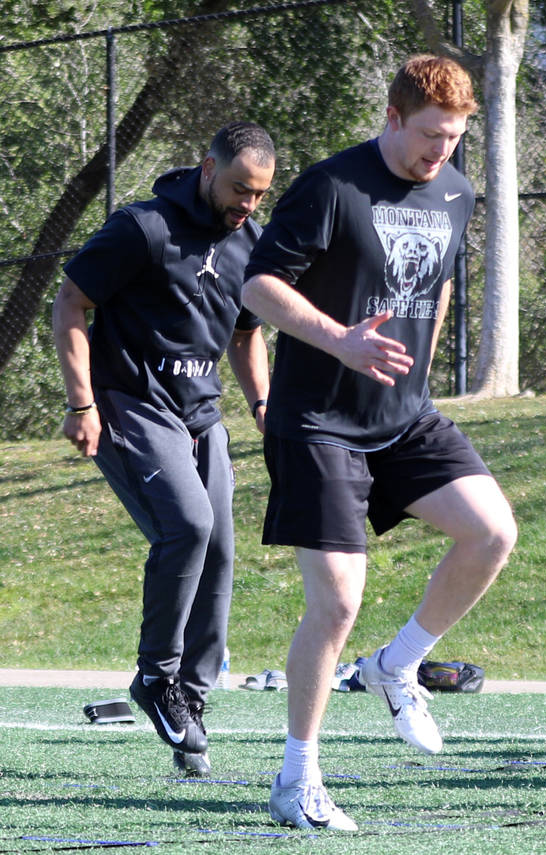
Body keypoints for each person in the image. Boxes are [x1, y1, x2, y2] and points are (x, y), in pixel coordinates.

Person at [241, 55, 517, 832]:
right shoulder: (333, 185)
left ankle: (397, 665)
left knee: (492, 530)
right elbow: (258, 286)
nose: (441, 153)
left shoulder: (458, 190)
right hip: (319, 418)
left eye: (455, 138)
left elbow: (440, 283)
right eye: (430, 135)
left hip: (403, 416)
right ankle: (298, 777)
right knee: (337, 601)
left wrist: (415, 376)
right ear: (394, 118)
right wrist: (340, 341)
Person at [52, 122, 276, 776]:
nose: (248, 204)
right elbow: (71, 301)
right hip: (131, 402)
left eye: (260, 194)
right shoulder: (143, 228)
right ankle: (157, 676)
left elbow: (244, 333)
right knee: (189, 525)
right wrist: (81, 402)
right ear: (208, 168)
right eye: (240, 188)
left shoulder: (249, 241)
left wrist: (262, 402)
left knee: (222, 548)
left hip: (202, 416)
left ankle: (191, 705)